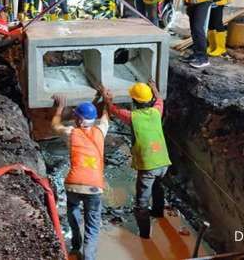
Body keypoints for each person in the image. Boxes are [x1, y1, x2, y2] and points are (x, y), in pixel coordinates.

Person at [101, 81, 171, 239]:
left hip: (148, 166)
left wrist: (107, 98)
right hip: (163, 161)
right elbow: (160, 100)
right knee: (158, 187)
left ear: (134, 101)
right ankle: (158, 213)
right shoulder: (156, 111)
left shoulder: (132, 116)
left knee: (142, 202)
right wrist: (154, 88)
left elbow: (113, 110)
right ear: (150, 99)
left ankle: (145, 236)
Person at [51, 94, 109, 260]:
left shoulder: (71, 133)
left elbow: (55, 125)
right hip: (95, 187)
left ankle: (75, 247)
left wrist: (60, 107)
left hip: (73, 184)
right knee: (92, 224)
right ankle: (88, 257)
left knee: (73, 212)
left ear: (77, 120)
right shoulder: (101, 131)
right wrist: (106, 102)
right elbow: (105, 117)